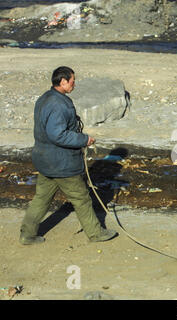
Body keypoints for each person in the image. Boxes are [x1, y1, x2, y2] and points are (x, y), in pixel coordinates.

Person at [19, 66, 118, 245]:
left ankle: (27, 235)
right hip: (61, 163)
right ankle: (96, 233)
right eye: (72, 80)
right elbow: (57, 134)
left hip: (44, 160)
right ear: (63, 82)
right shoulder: (58, 104)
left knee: (41, 198)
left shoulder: (44, 98)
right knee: (81, 199)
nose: (74, 84)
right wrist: (84, 139)